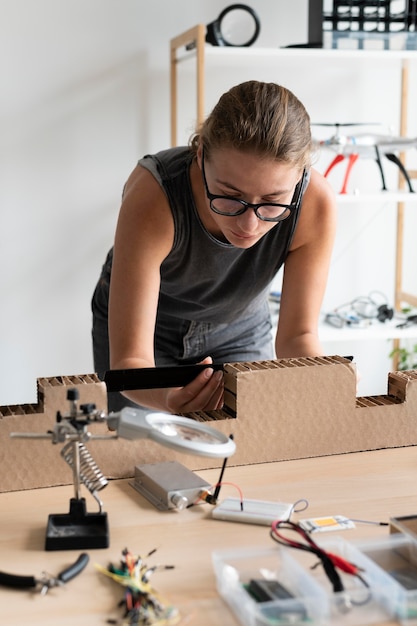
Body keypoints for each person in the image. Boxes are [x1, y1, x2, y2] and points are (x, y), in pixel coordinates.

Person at [92, 80, 337, 414]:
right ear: (201, 154)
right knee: (141, 449)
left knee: (250, 444)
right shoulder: (154, 198)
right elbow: (131, 361)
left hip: (240, 326)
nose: (249, 226)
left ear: (299, 176)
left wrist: (328, 379)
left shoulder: (314, 205)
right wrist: (166, 398)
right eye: (230, 196)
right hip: (151, 330)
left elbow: (297, 335)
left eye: (273, 202)